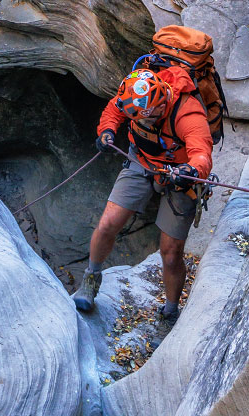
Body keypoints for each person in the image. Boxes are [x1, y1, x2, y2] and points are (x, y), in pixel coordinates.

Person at [71, 66, 213, 321]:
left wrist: (190, 170)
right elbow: (115, 109)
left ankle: (170, 310)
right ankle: (90, 280)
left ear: (160, 108)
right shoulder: (134, 96)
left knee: (170, 253)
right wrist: (107, 130)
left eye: (144, 120)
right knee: (107, 224)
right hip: (142, 162)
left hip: (180, 178)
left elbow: (201, 154)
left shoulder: (188, 113)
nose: (138, 123)